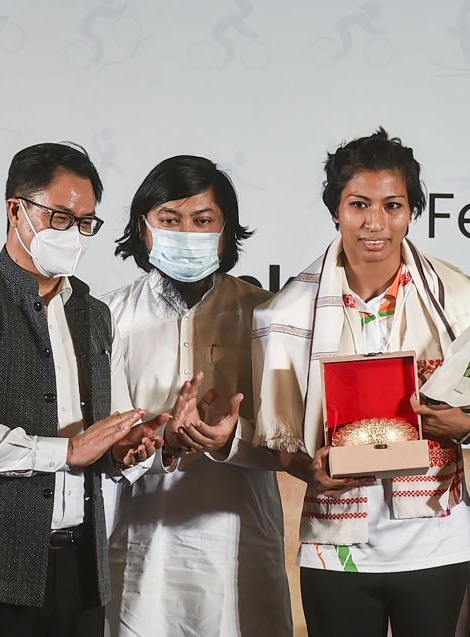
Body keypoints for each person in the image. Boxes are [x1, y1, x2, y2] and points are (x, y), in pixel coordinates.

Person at [252, 128, 470, 637]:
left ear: (412, 211)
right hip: (335, 549)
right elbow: (279, 440)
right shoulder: (285, 313)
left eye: (393, 205)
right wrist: (310, 470)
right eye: (359, 204)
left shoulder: (465, 303)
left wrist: (464, 424)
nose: (375, 223)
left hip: (437, 541)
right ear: (335, 209)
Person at [0, 142, 165, 637]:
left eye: (86, 222)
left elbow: (98, 439)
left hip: (81, 571)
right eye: (61, 217)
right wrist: (68, 450)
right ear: (16, 211)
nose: (74, 234)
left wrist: (125, 449)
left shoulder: (93, 314)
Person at [104, 155, 292, 637]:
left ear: (226, 231)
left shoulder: (266, 314)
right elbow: (106, 441)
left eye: (203, 220)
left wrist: (229, 438)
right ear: (143, 230)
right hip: (146, 543)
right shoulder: (109, 317)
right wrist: (158, 440)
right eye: (170, 220)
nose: (187, 233)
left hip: (240, 544)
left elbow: (290, 442)